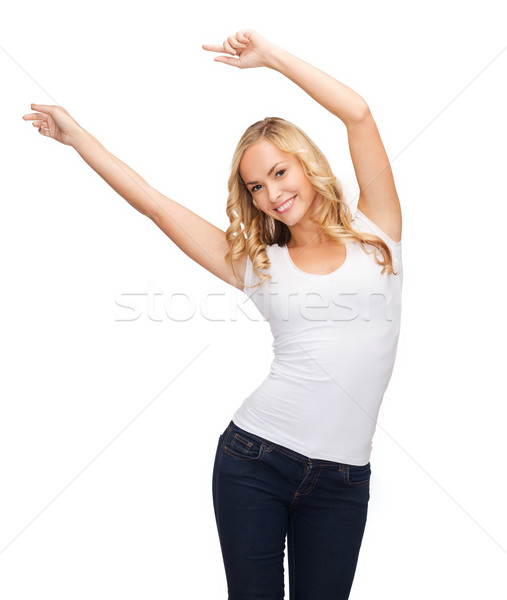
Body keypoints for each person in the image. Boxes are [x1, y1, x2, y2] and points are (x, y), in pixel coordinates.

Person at [23, 28, 403, 600]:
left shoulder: (379, 234)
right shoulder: (257, 263)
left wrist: (271, 57)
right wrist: (79, 137)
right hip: (255, 461)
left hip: (344, 480)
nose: (272, 194)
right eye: (256, 186)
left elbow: (359, 115)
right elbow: (154, 203)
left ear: (305, 164)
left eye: (279, 172)